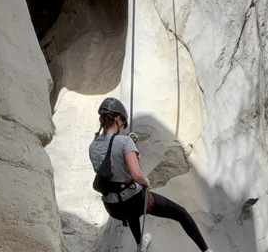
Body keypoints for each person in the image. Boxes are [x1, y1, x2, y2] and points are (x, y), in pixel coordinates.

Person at [89, 97, 214, 252]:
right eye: (123, 124)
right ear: (118, 119)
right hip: (133, 201)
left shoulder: (93, 146)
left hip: (112, 207)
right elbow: (136, 175)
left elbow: (110, 170)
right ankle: (206, 251)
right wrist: (145, 181)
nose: (123, 129)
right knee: (180, 213)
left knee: (130, 210)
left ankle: (140, 244)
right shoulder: (124, 141)